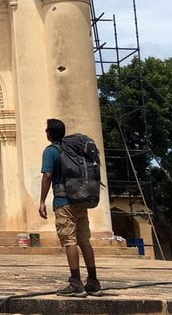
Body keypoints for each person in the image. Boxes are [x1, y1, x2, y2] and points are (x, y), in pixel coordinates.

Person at [39, 118, 102, 297]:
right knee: (84, 240)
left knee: (70, 241)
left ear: (49, 134)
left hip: (63, 202)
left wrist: (42, 201)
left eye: (46, 130)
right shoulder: (74, 149)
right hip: (80, 201)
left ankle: (76, 283)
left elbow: (47, 176)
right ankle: (93, 281)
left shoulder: (51, 151)